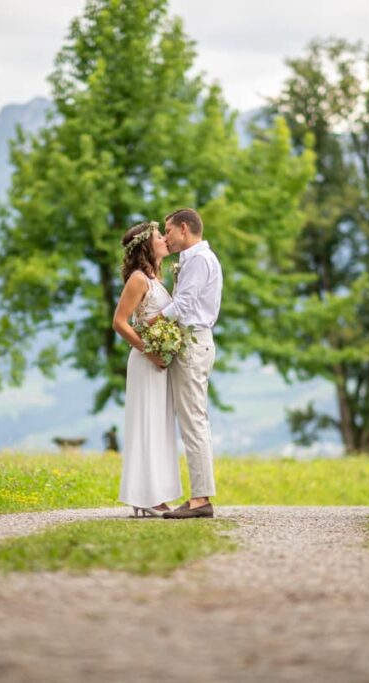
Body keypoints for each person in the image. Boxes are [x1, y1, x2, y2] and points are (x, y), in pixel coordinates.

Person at [150, 208, 222, 519]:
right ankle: (198, 496)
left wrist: (150, 322)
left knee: (193, 421)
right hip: (192, 343)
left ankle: (201, 499)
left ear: (183, 228)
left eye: (168, 231)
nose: (165, 237)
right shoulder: (194, 259)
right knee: (192, 420)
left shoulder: (199, 260)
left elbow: (185, 304)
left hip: (193, 344)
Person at [112, 221, 182, 516]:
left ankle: (154, 495)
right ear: (145, 245)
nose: (165, 238)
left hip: (158, 363)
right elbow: (119, 322)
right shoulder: (138, 279)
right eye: (158, 236)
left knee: (159, 426)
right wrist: (149, 350)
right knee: (147, 425)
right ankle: (145, 496)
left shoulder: (155, 279)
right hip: (145, 362)